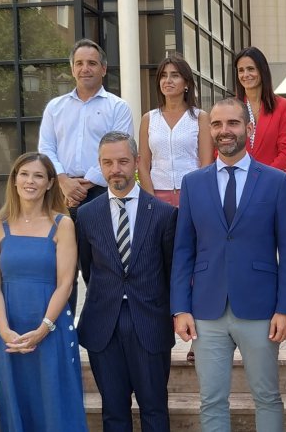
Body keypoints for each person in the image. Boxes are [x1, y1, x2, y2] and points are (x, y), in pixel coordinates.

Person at [171, 98, 286, 432]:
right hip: (206, 310)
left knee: (267, 396)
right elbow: (183, 250)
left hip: (260, 309)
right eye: (217, 124)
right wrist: (180, 309)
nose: (224, 131)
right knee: (212, 400)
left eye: (233, 123)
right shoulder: (193, 183)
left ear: (249, 128)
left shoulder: (274, 181)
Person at [78, 132, 179, 431]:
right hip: (103, 324)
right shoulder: (86, 215)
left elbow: (171, 269)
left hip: (149, 322)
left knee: (154, 408)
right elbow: (88, 268)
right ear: (99, 165)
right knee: (114, 411)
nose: (115, 169)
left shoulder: (163, 213)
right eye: (107, 163)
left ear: (136, 162)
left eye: (122, 161)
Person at [0, 153, 88, 431]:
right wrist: (4, 329)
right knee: (16, 399)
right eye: (24, 174)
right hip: (10, 327)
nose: (30, 181)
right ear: (15, 180)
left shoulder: (62, 224)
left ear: (50, 183)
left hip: (51, 325)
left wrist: (44, 327)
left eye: (39, 175)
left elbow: (66, 282)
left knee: (55, 400)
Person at [39, 38, 135, 312]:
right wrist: (62, 180)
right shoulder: (55, 107)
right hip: (60, 192)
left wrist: (88, 181)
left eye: (92, 63)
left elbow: (120, 146)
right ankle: (62, 325)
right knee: (60, 263)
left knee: (99, 262)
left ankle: (102, 322)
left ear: (103, 69)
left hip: (101, 192)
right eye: (79, 63)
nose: (85, 69)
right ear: (72, 69)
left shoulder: (118, 107)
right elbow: (46, 147)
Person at [139, 53, 212, 206]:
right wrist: (150, 198)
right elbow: (143, 165)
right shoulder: (149, 118)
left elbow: (206, 163)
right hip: (157, 195)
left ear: (186, 83)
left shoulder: (200, 117)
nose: (168, 81)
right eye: (163, 76)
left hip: (191, 193)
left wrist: (197, 195)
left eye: (175, 75)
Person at [235, 46, 286, 171]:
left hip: (271, 182)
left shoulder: (283, 106)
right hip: (236, 180)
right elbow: (220, 148)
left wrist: (264, 178)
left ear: (262, 71)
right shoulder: (231, 107)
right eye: (241, 70)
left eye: (251, 69)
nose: (245, 75)